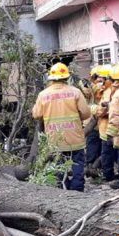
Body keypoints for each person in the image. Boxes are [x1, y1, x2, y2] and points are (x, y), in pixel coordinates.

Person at [32, 62, 91, 191]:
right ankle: (77, 189)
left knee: (58, 164)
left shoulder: (43, 94)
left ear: (51, 78)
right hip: (74, 137)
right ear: (67, 77)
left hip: (55, 138)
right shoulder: (75, 92)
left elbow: (36, 114)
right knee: (77, 163)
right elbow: (86, 113)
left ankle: (61, 187)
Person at [93, 64, 118, 182]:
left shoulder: (109, 91)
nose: (99, 80)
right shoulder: (110, 89)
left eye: (101, 77)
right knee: (116, 153)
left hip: (107, 128)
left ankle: (108, 176)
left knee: (107, 154)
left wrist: (94, 110)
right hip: (113, 128)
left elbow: (103, 110)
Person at [84, 66, 103, 172]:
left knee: (96, 147)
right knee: (94, 147)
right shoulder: (89, 88)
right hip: (94, 124)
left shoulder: (97, 87)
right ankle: (92, 168)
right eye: (97, 78)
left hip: (98, 123)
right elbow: (87, 93)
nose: (99, 81)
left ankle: (93, 167)